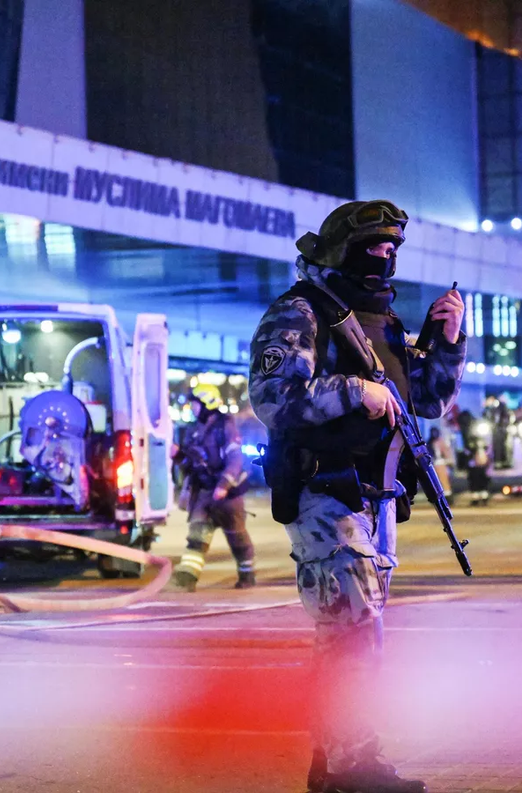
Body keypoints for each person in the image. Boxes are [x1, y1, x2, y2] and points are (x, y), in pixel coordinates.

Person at [249, 199, 465, 793]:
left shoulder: (380, 321)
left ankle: (333, 763)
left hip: (377, 493)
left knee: (349, 631)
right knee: (355, 628)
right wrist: (354, 391)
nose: (385, 256)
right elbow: (273, 398)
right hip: (325, 490)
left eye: (392, 248)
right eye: (374, 247)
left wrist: (448, 340)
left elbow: (428, 401)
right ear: (342, 250)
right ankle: (355, 767)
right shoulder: (301, 311)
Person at [167, 389, 256, 592]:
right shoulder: (195, 430)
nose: (192, 408)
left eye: (196, 404)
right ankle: (187, 578)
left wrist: (223, 485)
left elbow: (235, 460)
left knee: (237, 537)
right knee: (197, 536)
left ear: (208, 405)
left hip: (228, 497)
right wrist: (178, 455)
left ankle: (247, 575)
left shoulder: (225, 427)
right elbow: (191, 463)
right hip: (205, 492)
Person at [427, 427, 454, 497]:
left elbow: (446, 452)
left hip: (442, 463)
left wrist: (448, 460)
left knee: (445, 480)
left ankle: (448, 495)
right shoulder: (429, 443)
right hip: (434, 464)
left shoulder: (441, 442)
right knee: (436, 481)